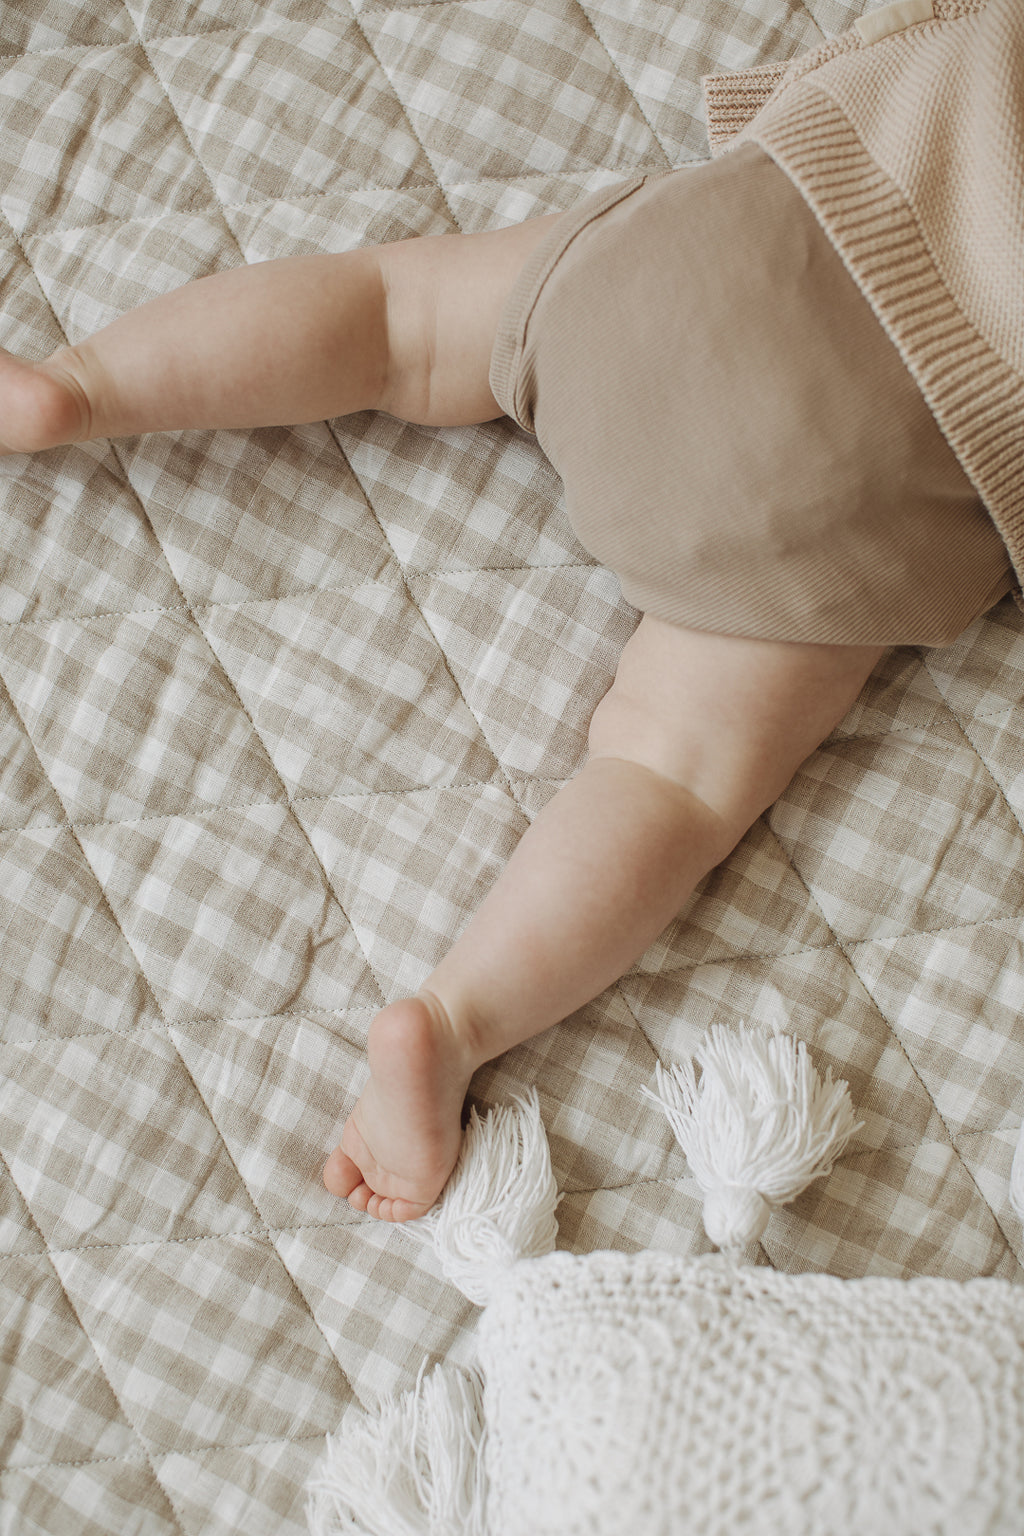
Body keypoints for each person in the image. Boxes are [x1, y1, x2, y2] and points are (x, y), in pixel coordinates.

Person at [0, 0, 1018, 1222]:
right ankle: (449, 1020)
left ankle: (75, 390)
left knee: (390, 314)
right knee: (665, 778)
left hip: (726, 253)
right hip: (879, 475)